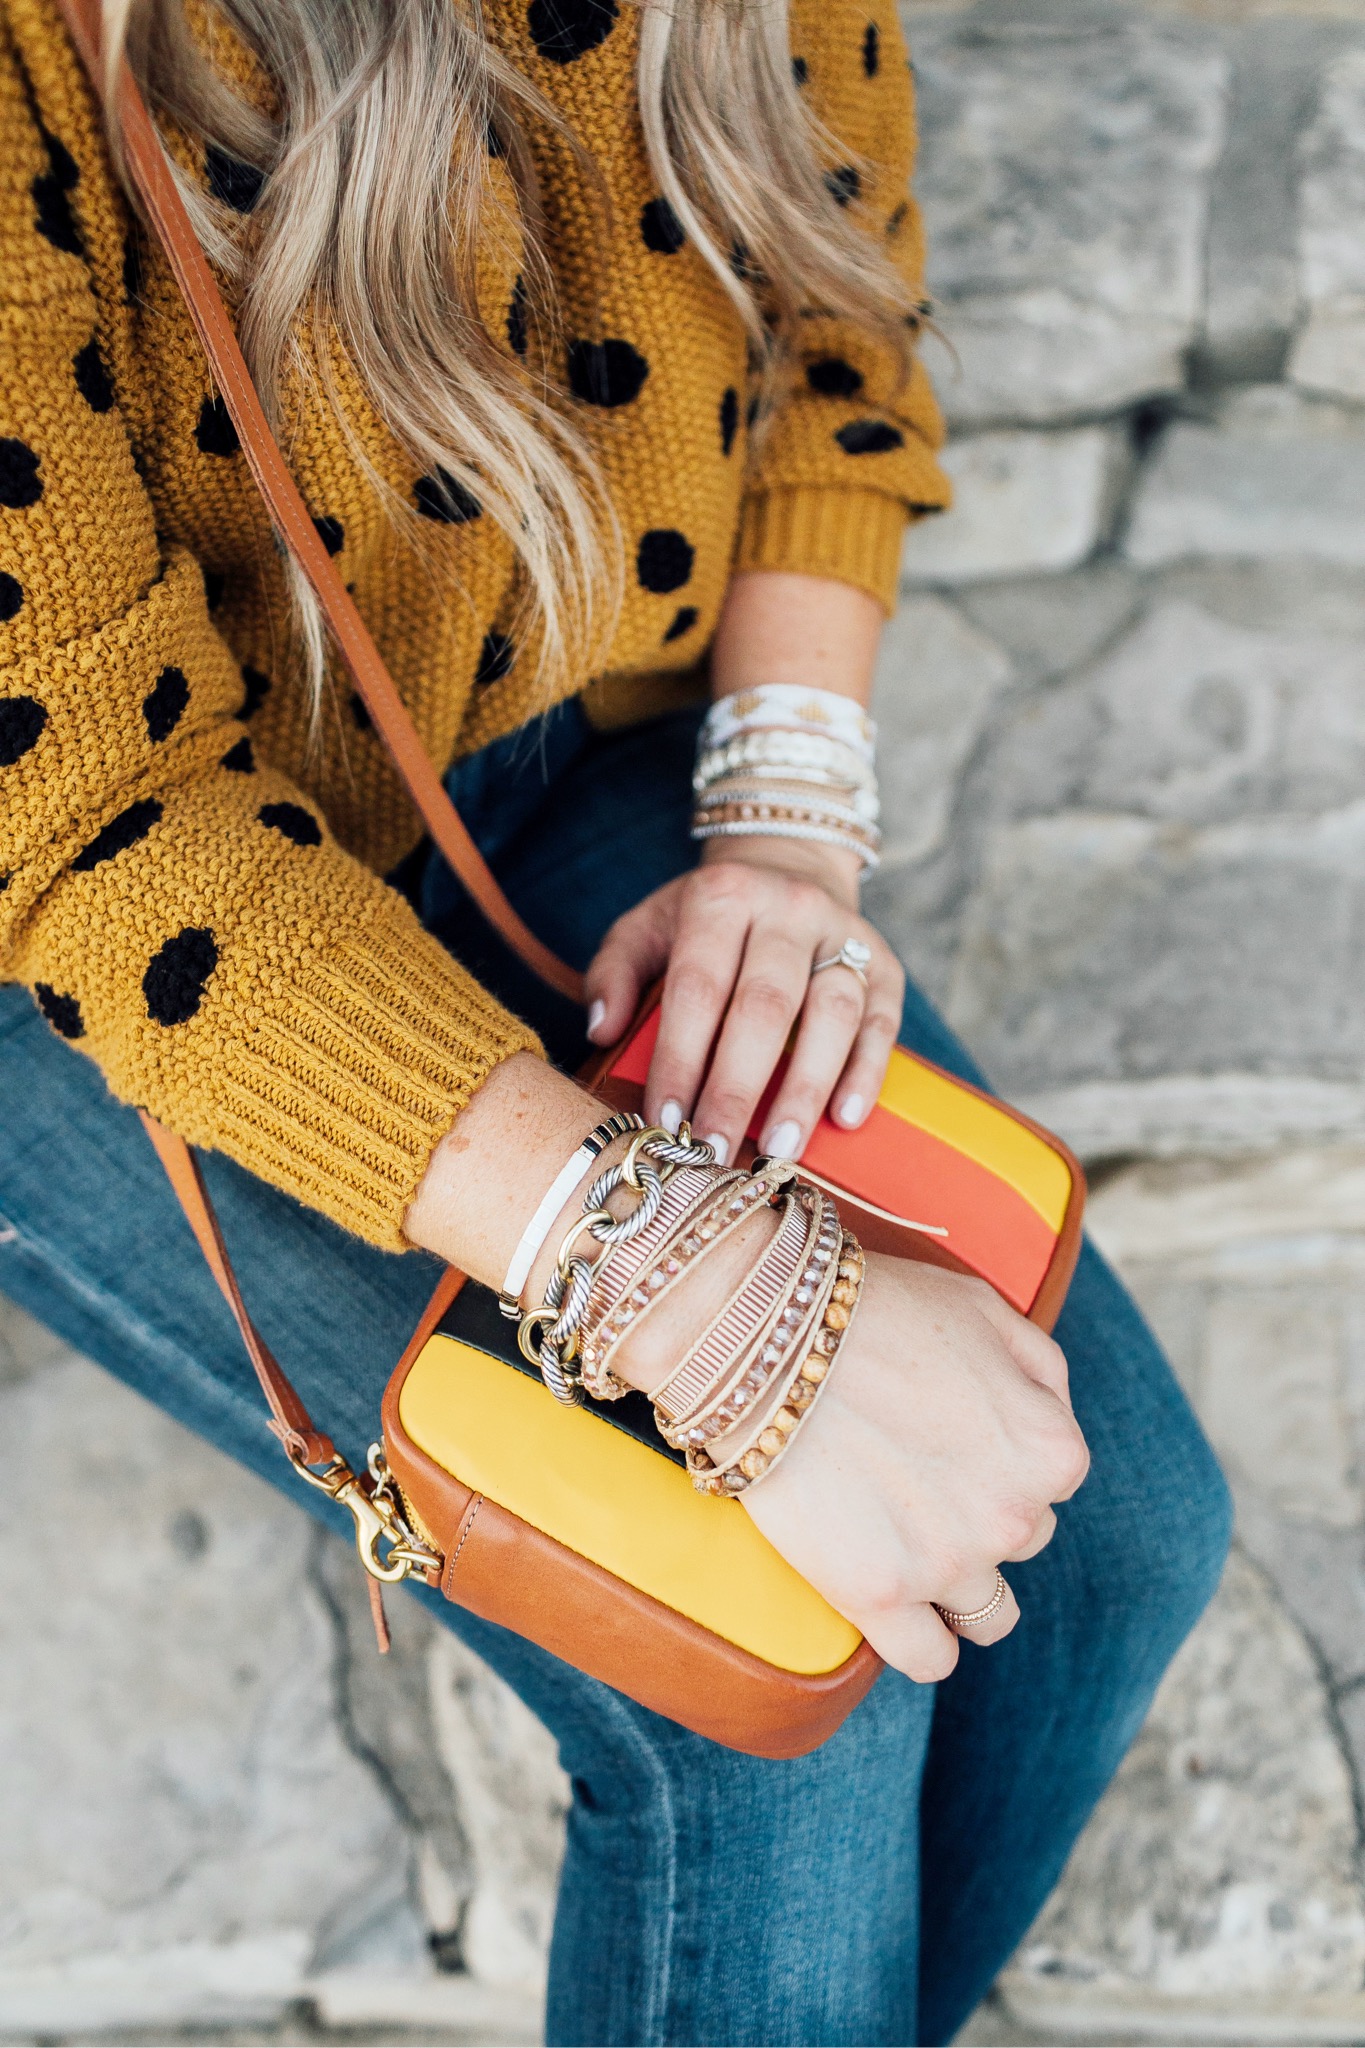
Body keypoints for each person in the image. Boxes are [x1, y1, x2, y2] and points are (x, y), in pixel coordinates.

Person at [0, 0, 1231, 2039]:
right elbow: (88, 821)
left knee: (1116, 1527)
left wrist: (782, 821)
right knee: (757, 1687)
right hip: (107, 941)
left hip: (563, 769)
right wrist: (699, 1294)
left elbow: (833, 328)